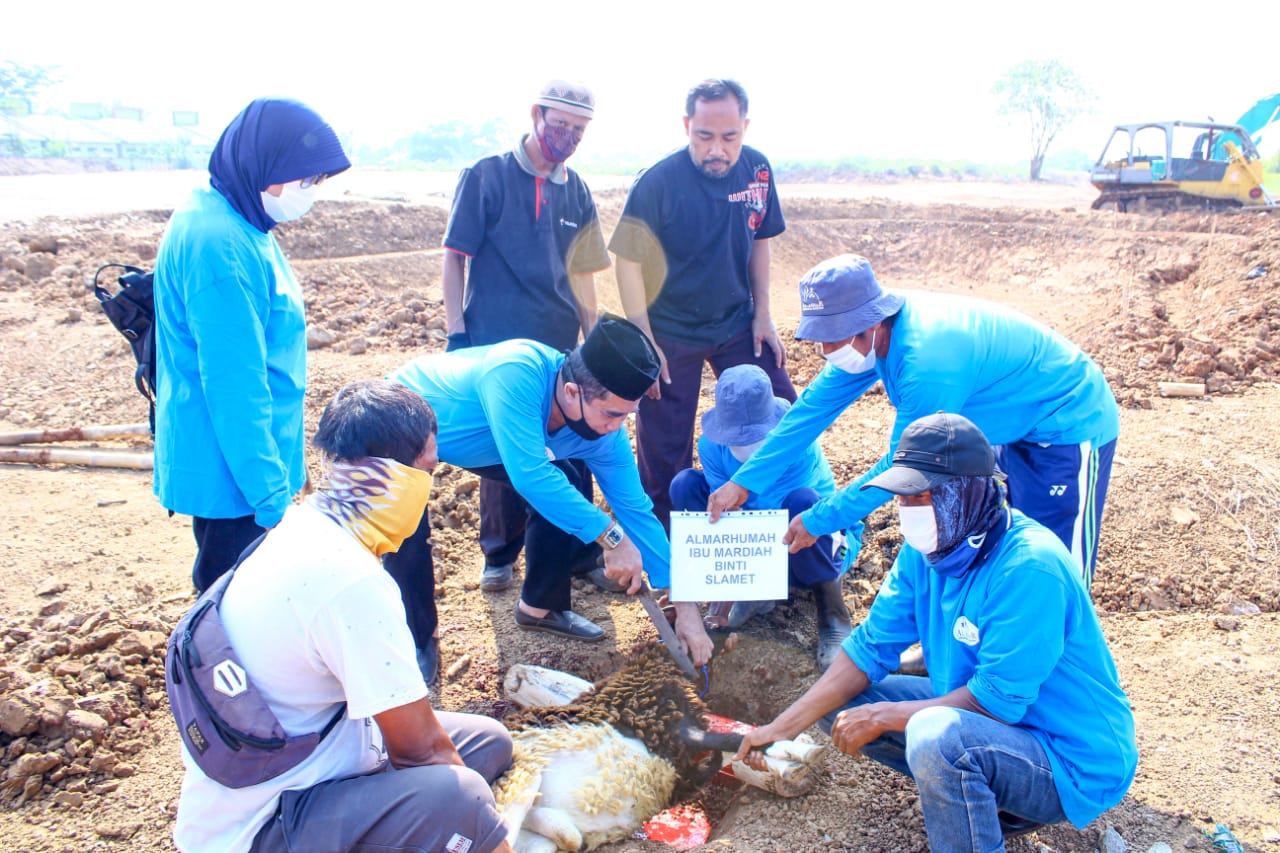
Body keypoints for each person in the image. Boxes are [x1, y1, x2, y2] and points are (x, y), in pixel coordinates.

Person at [732, 413, 1137, 851]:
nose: (909, 512)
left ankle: (995, 810)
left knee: (935, 736)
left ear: (968, 491)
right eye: (904, 500)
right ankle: (982, 801)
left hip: (1066, 759)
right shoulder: (927, 553)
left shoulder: (1029, 567)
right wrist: (781, 726)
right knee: (843, 700)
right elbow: (868, 651)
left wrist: (886, 716)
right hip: (994, 732)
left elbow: (994, 703)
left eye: (922, 496)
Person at [173, 379, 514, 853]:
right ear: (395, 477)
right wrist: (484, 828)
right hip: (267, 823)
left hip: (321, 758)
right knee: (464, 800)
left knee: (489, 742)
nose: (429, 490)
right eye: (428, 471)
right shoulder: (350, 581)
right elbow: (419, 752)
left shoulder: (303, 526)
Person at [710, 253, 1119, 588]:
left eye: (833, 337)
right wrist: (744, 482)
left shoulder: (927, 362)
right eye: (820, 337)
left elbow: (904, 466)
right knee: (990, 535)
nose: (824, 349)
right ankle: (958, 643)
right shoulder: (876, 333)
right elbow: (810, 412)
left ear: (869, 323)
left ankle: (1059, 666)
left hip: (1065, 420)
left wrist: (821, 519)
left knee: (1054, 556)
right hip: (1007, 425)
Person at [385, 315, 715, 674]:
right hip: (406, 422)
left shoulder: (605, 432)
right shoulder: (516, 369)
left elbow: (635, 510)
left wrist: (686, 607)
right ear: (573, 393)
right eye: (612, 414)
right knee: (406, 534)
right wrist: (613, 538)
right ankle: (418, 639)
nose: (616, 429)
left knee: (566, 486)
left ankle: (539, 608)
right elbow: (530, 476)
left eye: (627, 416)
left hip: (494, 443)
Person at [152, 97, 351, 594]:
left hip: (248, 459)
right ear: (266, 164)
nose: (310, 194)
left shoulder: (238, 212)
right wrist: (270, 498)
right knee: (233, 603)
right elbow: (235, 387)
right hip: (235, 474)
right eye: (305, 180)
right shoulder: (219, 244)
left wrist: (288, 468)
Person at [441, 80, 611, 595]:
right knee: (500, 454)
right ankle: (499, 554)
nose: (569, 137)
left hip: (558, 344)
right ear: (536, 115)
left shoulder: (575, 190)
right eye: (561, 125)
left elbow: (584, 274)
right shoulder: (487, 176)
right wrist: (456, 334)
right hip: (493, 342)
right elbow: (455, 258)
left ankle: (575, 553)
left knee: (568, 450)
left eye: (579, 130)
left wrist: (592, 342)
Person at [609, 78, 795, 528]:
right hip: (670, 330)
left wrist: (763, 313)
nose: (717, 149)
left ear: (745, 128)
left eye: (729, 137)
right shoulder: (658, 183)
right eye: (704, 136)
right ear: (686, 125)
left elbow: (761, 241)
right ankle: (671, 548)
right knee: (664, 445)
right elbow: (627, 263)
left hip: (736, 322)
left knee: (781, 410)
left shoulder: (758, 172)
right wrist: (643, 340)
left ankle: (788, 520)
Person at [669, 364, 852, 670]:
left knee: (805, 504)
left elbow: (773, 518)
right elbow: (723, 513)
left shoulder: (797, 447)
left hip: (805, 546)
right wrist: (729, 592)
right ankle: (749, 590)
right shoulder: (712, 447)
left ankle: (833, 614)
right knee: (685, 484)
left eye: (753, 437)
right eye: (737, 438)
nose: (745, 446)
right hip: (751, 544)